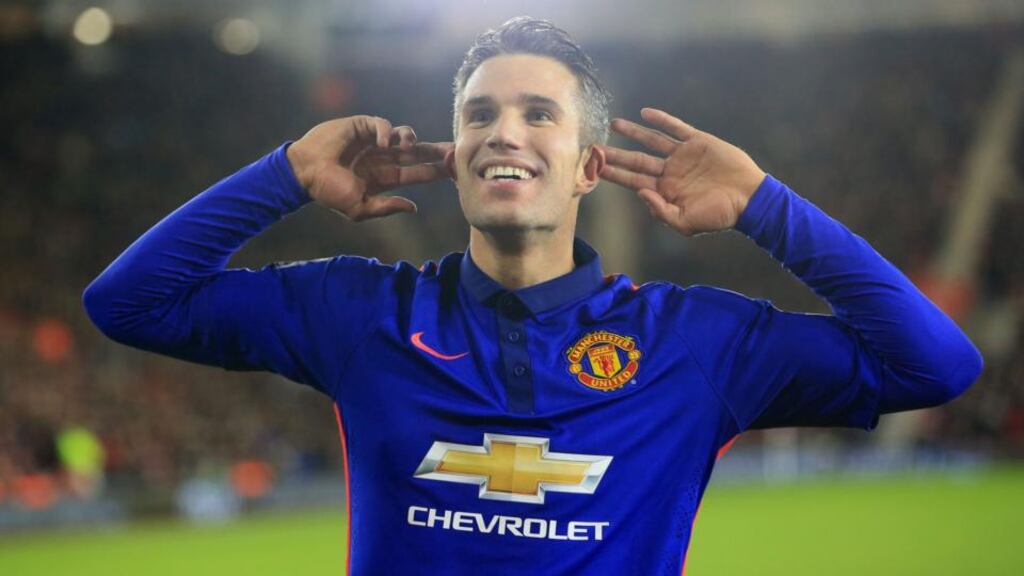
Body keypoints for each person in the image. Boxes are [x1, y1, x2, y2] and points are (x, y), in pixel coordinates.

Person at [83, 16, 983, 575]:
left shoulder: (693, 344)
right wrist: (285, 174)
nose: (500, 132)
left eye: (537, 113)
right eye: (477, 113)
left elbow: (938, 364)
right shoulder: (361, 314)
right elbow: (130, 304)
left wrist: (767, 210)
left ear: (591, 165)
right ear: (456, 149)